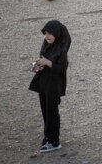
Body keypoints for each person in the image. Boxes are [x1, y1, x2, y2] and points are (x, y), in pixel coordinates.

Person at [29, 20, 71, 152]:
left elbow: (62, 69)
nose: (47, 36)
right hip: (44, 84)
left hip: (54, 86)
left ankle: (54, 141)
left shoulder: (62, 49)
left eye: (50, 33)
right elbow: (43, 61)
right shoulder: (46, 46)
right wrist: (37, 66)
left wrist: (47, 62)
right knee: (45, 112)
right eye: (45, 33)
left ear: (57, 34)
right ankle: (47, 137)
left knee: (52, 113)